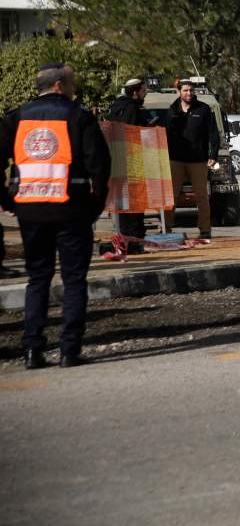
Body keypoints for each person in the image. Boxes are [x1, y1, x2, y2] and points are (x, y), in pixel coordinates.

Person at [0, 64, 111, 369]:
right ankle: (69, 351)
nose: (74, 87)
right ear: (60, 85)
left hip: (30, 210)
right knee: (74, 280)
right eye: (72, 82)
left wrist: (7, 200)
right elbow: (100, 167)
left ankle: (33, 351)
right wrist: (95, 207)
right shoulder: (79, 116)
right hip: (71, 210)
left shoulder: (17, 116)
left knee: (38, 278)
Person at [163, 79, 219, 239]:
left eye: (191, 90)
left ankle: (205, 229)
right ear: (179, 92)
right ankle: (167, 228)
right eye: (186, 90)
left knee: (201, 197)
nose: (189, 93)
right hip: (175, 160)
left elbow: (213, 134)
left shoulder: (204, 109)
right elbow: (166, 134)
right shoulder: (172, 110)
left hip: (198, 160)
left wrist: (213, 155)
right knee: (170, 196)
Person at [106, 78, 151, 253]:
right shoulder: (132, 107)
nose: (144, 94)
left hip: (117, 162)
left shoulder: (115, 106)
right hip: (132, 162)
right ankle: (135, 241)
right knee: (135, 203)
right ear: (135, 92)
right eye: (143, 91)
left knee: (123, 203)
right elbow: (134, 133)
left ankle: (125, 239)